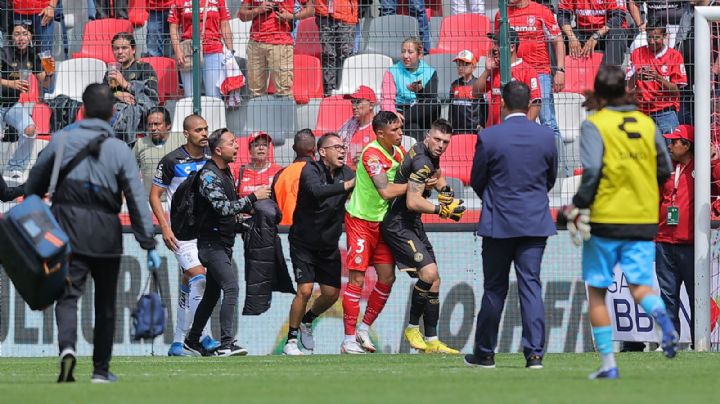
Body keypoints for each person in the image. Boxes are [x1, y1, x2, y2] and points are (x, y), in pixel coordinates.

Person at [25, 83, 160, 383]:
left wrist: (32, 208)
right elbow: (136, 197)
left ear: (81, 110)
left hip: (66, 226)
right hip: (106, 231)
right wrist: (148, 242)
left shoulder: (61, 139)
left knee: (68, 295)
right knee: (106, 302)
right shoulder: (119, 149)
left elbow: (35, 179)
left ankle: (68, 348)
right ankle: (100, 370)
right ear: (113, 113)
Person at [561, 65, 676, 379]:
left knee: (597, 291)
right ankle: (663, 320)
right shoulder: (647, 122)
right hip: (642, 218)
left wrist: (577, 205)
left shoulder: (595, 124)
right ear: (626, 89)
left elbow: (594, 172)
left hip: (606, 219)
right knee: (640, 285)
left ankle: (609, 365)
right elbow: (664, 169)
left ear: (598, 92)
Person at [465, 81, 557, 370]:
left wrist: (494, 199)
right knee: (531, 286)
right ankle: (534, 355)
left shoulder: (490, 137)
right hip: (534, 221)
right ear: (530, 104)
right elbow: (550, 178)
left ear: (502, 104)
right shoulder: (545, 136)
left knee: (494, 288)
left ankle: (485, 353)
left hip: (498, 223)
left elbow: (477, 178)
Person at [183, 128, 271, 357]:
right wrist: (253, 197)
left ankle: (192, 341)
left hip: (222, 242)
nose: (237, 146)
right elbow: (222, 208)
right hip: (211, 244)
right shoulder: (208, 175)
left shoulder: (226, 172)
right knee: (231, 288)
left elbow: (228, 212)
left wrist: (245, 222)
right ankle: (226, 344)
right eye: (232, 143)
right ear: (218, 150)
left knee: (212, 294)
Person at [381, 119, 464, 354]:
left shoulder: (425, 152)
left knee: (434, 279)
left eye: (445, 142)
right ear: (428, 136)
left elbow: (437, 175)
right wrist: (441, 209)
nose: (440, 145)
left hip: (411, 223)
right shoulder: (421, 161)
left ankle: (432, 340)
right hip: (398, 224)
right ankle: (411, 328)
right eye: (437, 139)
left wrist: (447, 193)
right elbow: (412, 201)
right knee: (429, 274)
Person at [149, 114, 220, 357]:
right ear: (186, 133)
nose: (204, 133)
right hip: (181, 234)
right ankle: (204, 336)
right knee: (200, 279)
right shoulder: (171, 161)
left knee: (189, 286)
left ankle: (178, 342)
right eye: (199, 129)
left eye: (206, 129)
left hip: (207, 233)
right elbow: (154, 195)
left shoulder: (213, 160)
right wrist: (165, 227)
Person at [283, 132, 355, 355]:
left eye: (343, 147)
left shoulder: (348, 173)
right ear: (322, 152)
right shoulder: (310, 170)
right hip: (303, 243)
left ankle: (307, 320)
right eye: (336, 147)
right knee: (304, 290)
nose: (342, 150)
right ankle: (291, 341)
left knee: (332, 294)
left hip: (328, 245)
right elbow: (316, 191)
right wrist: (348, 186)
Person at [341, 111, 407, 354]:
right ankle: (348, 340)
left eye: (400, 128)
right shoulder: (371, 154)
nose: (400, 133)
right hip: (360, 222)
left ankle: (364, 328)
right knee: (357, 280)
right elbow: (386, 192)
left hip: (383, 224)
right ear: (380, 134)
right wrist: (415, 186)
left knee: (388, 277)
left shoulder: (398, 152)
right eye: (395, 130)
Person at [656, 125, 720, 347]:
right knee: (667, 297)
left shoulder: (703, 168)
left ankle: (700, 343)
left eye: (675, 141)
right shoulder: (666, 168)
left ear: (687, 145)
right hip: (664, 241)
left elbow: (719, 185)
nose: (670, 145)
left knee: (697, 297)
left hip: (692, 244)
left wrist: (714, 161)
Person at [497, 0, 565, 149]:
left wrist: (560, 70)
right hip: (513, 74)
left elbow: (558, 40)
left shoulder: (542, 11)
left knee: (548, 123)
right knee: (513, 123)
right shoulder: (501, 15)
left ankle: (561, 171)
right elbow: (497, 43)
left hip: (540, 73)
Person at [1, 22, 54, 185]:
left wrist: (50, 71)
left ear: (31, 36)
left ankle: (15, 167)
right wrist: (11, 84)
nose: (21, 37)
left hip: (11, 105)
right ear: (11, 37)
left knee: (30, 129)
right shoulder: (3, 53)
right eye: (17, 34)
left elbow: (44, 84)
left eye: (24, 33)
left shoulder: (33, 55)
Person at [238, 0, 314, 97]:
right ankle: (260, 112)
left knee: (284, 90)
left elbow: (311, 9)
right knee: (255, 92)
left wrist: (291, 16)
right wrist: (258, 10)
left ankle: (284, 111)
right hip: (256, 42)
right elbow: (241, 15)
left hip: (281, 43)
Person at [627, 25, 687, 138]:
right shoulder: (637, 53)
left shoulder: (674, 56)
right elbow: (627, 87)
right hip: (641, 112)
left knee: (669, 152)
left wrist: (657, 77)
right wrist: (636, 76)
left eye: (656, 38)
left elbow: (677, 91)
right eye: (649, 37)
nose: (651, 41)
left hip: (666, 112)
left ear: (664, 36)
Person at [472, 30, 541, 128]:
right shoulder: (494, 70)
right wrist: (487, 71)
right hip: (495, 132)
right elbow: (475, 93)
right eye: (494, 44)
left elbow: (536, 104)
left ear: (512, 47)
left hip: (516, 132)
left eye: (498, 44)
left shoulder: (528, 71)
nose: (494, 48)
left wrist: (521, 129)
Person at [169, 0, 234, 98]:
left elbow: (224, 25)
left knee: (213, 96)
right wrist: (177, 51)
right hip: (189, 51)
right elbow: (173, 27)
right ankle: (192, 114)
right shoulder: (179, 1)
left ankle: (213, 114)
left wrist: (230, 51)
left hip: (213, 50)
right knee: (190, 96)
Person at [104, 32, 159, 146]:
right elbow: (101, 93)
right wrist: (117, 94)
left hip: (137, 116)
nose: (120, 52)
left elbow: (152, 97)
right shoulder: (111, 71)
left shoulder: (144, 68)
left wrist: (125, 84)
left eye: (124, 48)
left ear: (133, 50)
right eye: (116, 48)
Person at [380, 37, 440, 141]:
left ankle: (396, 124)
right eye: (403, 52)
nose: (405, 56)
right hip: (399, 111)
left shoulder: (430, 72)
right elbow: (387, 99)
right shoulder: (392, 72)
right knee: (413, 128)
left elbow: (430, 100)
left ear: (419, 54)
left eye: (410, 52)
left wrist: (420, 91)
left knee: (434, 103)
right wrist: (393, 114)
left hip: (421, 112)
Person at [558, 0, 628, 66]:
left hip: (606, 31)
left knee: (616, 33)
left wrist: (596, 36)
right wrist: (571, 37)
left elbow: (618, 16)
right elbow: (563, 15)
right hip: (583, 32)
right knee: (561, 36)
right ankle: (566, 72)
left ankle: (609, 75)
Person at [133, 107, 183, 197]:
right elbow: (130, 170)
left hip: (177, 201)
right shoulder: (140, 143)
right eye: (150, 124)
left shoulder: (181, 140)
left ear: (168, 125)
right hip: (150, 201)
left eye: (157, 124)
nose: (153, 128)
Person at [273, 128, 316, 226]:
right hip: (315, 231)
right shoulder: (321, 172)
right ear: (315, 149)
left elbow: (273, 208)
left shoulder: (280, 175)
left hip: (285, 231)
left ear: (293, 148)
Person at [315, 0, 356, 95]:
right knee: (328, 56)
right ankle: (329, 93)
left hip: (345, 14)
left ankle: (346, 91)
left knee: (345, 56)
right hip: (324, 13)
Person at [338, 85, 377, 168]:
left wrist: (367, 157)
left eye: (358, 102)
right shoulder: (349, 126)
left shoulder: (380, 128)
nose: (353, 106)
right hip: (345, 172)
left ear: (371, 105)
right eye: (353, 102)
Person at [236, 131, 282, 198]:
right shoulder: (239, 171)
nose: (261, 148)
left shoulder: (278, 171)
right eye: (256, 145)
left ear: (269, 149)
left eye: (265, 145)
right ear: (250, 150)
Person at [449, 50, 484, 134]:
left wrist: (482, 124)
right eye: (459, 64)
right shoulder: (454, 84)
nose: (460, 67)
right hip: (456, 130)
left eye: (465, 64)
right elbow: (451, 108)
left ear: (474, 66)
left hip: (473, 130)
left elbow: (484, 107)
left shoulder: (478, 84)